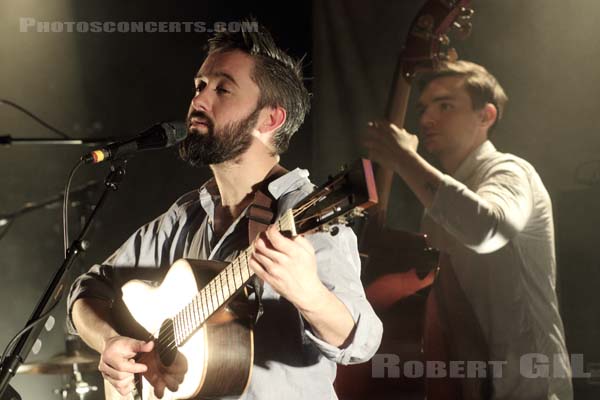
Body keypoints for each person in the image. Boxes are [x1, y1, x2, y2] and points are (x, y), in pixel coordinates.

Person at [67, 23, 383, 399]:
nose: (199, 101)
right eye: (200, 86)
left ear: (270, 119)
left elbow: (362, 342)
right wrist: (111, 341)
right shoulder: (185, 217)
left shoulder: (303, 216)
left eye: (222, 88)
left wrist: (310, 294)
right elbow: (86, 289)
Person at [364, 60, 572, 399]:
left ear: (486, 116)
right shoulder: (438, 207)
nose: (427, 119)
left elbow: (488, 229)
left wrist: (403, 160)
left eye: (445, 106)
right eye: (424, 108)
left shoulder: (510, 171)